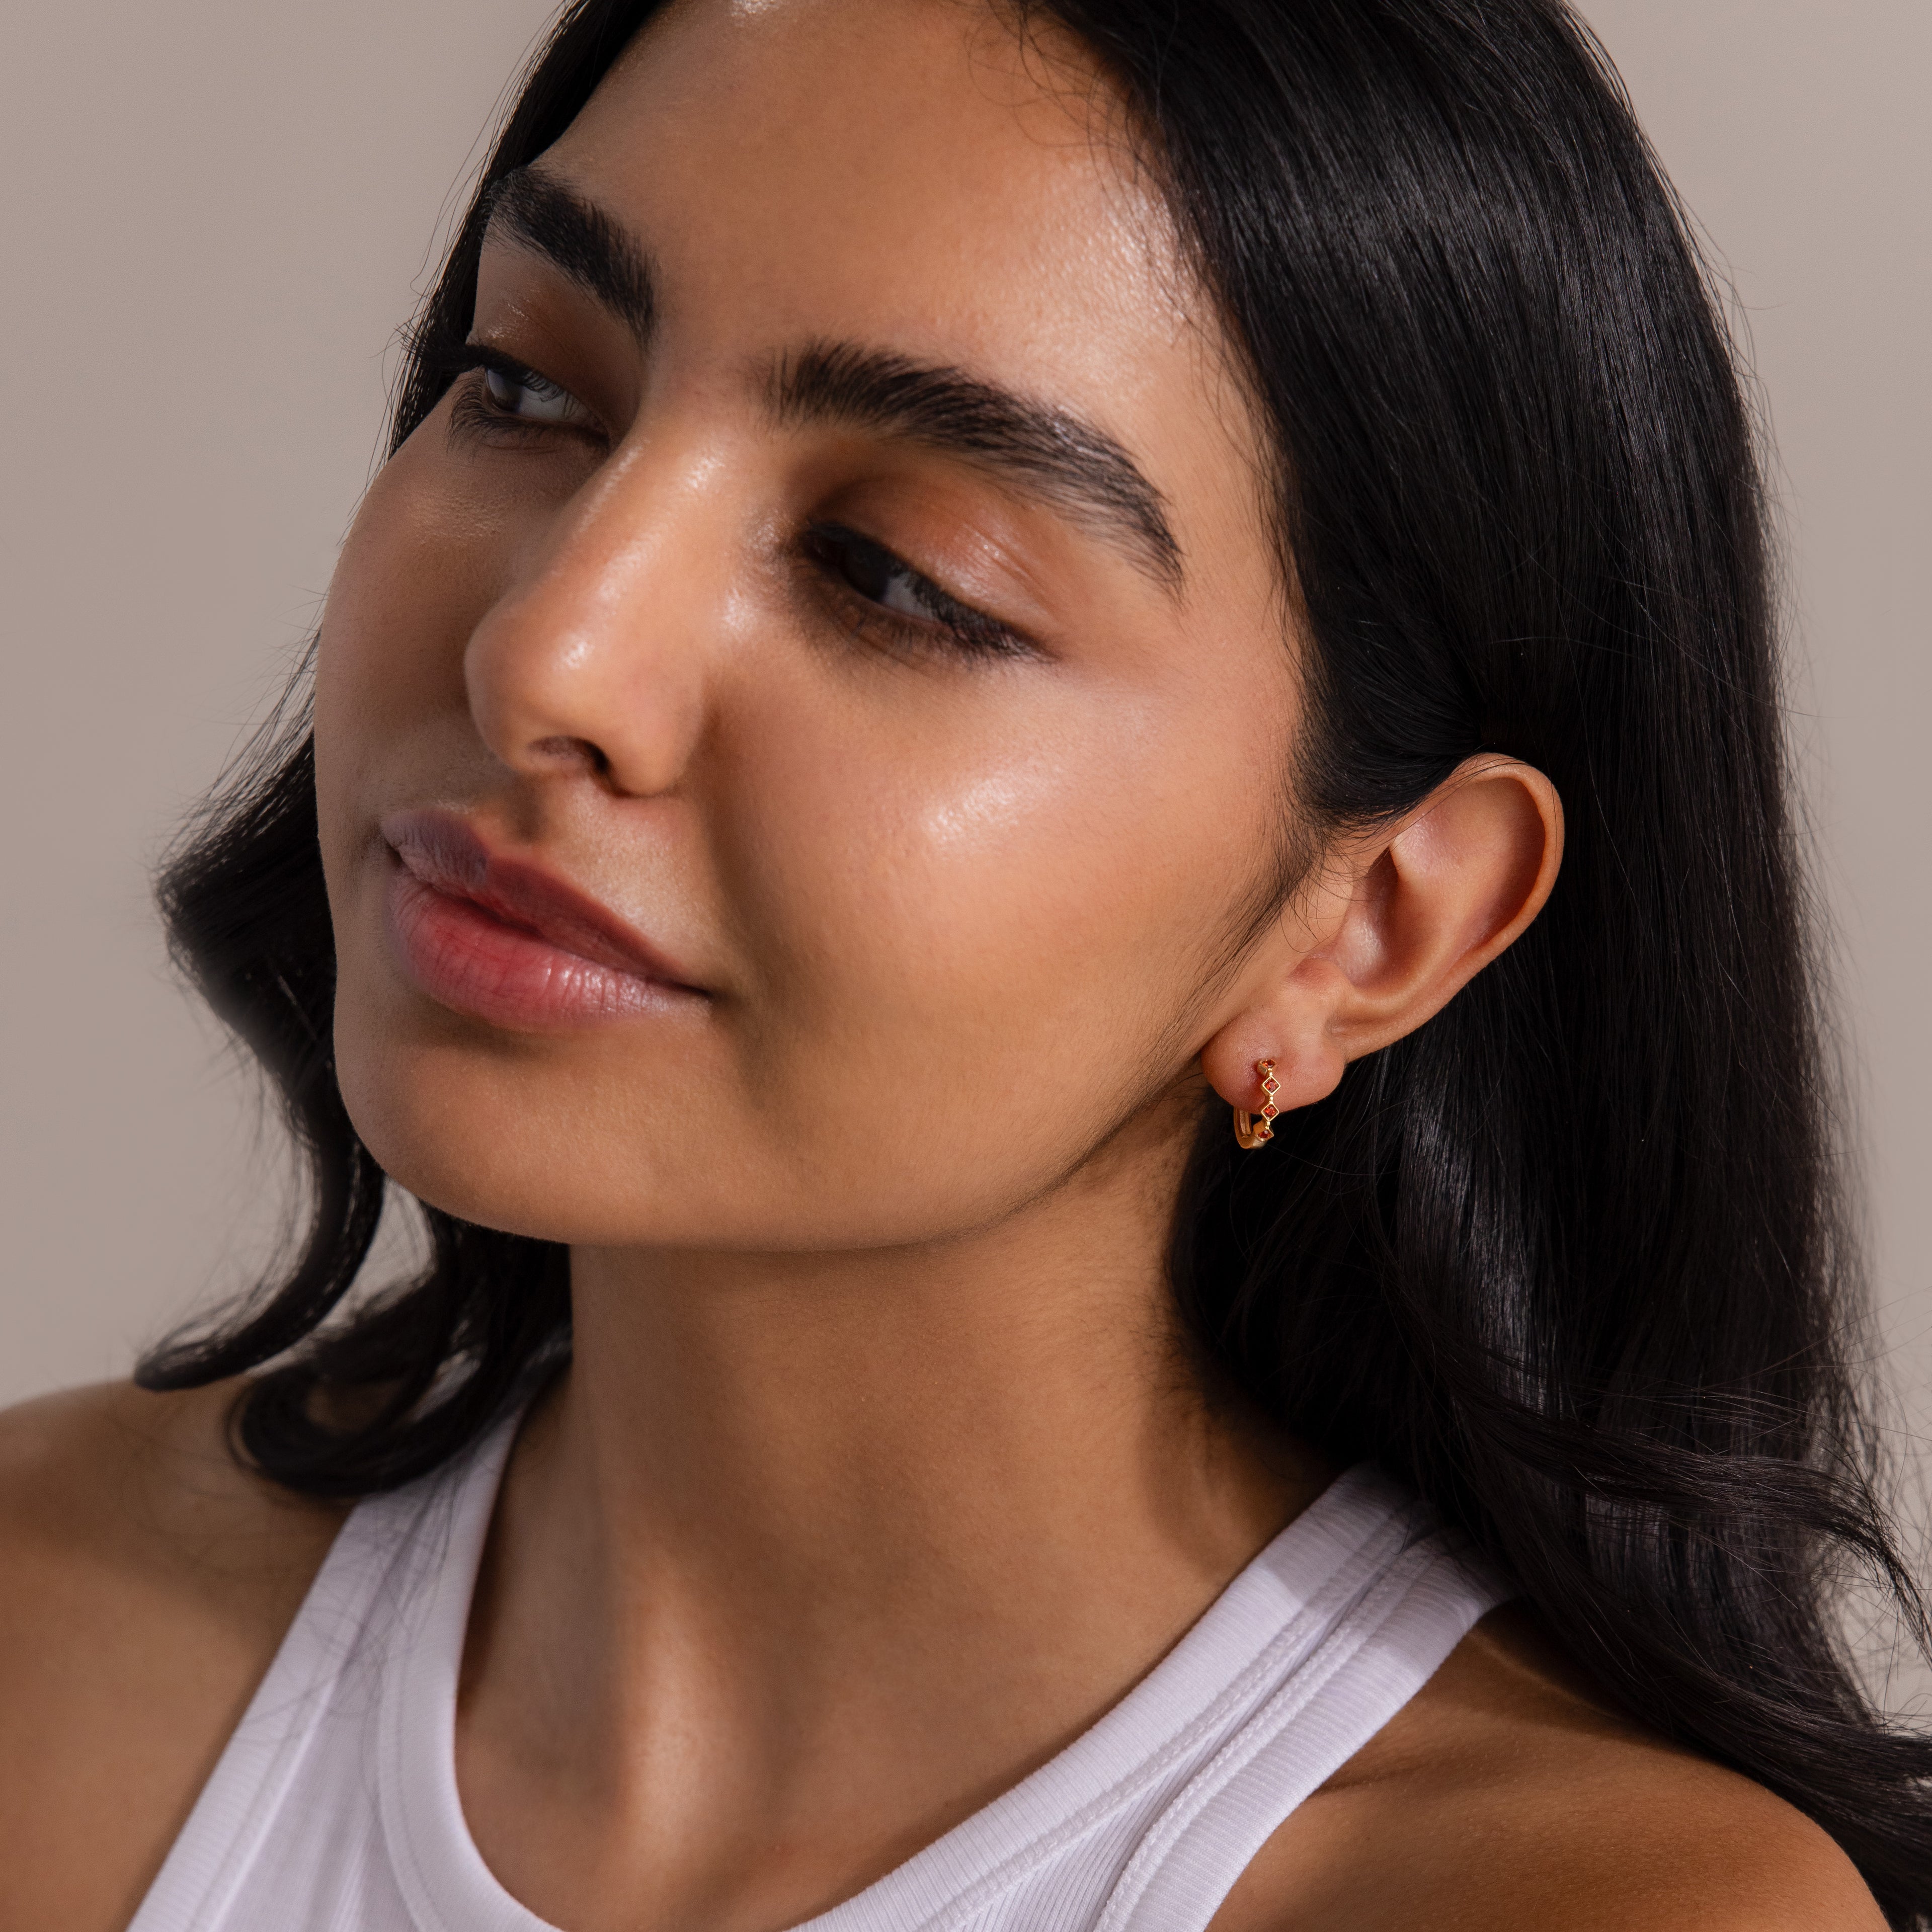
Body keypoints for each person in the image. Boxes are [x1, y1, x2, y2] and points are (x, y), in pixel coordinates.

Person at [2, 0, 1925, 1924]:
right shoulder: (46, 1650)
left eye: (898, 576)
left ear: (1374, 925)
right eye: (526, 388)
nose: (548, 653)